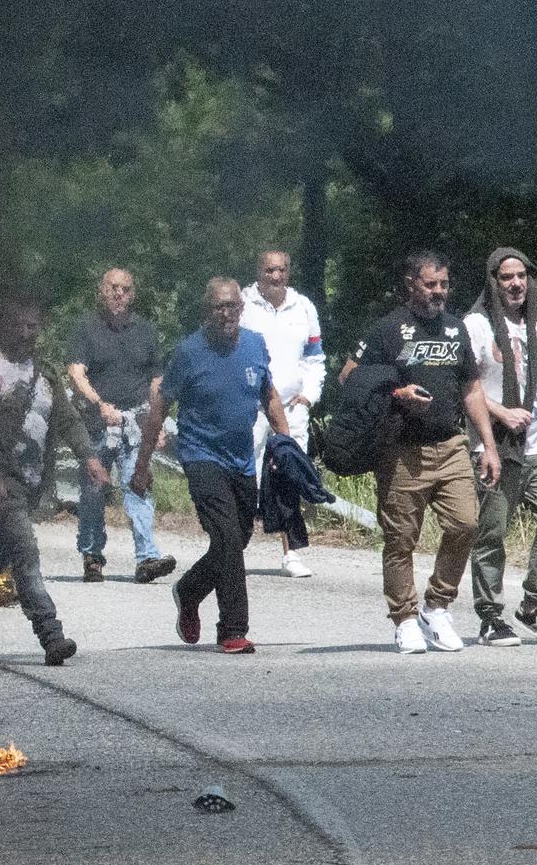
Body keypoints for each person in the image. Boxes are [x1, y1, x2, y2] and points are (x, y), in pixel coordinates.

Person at [340, 251, 501, 654]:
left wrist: (489, 445)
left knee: (466, 523)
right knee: (401, 540)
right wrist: (396, 393)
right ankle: (405, 618)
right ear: (411, 283)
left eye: (444, 284)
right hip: (401, 450)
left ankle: (437, 607)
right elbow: (348, 375)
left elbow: (472, 388)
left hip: (450, 445)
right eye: (431, 284)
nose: (439, 292)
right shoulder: (387, 329)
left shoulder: (455, 328)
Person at [0, 294, 110, 666]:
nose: (25, 333)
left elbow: (66, 419)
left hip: (27, 484)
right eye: (17, 325)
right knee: (26, 555)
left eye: (32, 326)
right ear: (1, 327)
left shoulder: (46, 373)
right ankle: (51, 634)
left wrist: (89, 457)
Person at [130, 278, 290, 655]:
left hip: (241, 459)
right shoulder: (188, 352)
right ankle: (233, 629)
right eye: (219, 307)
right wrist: (142, 465)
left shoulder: (254, 344)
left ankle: (188, 591)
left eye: (233, 306)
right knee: (228, 539)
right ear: (207, 311)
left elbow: (269, 397)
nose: (227, 314)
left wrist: (287, 448)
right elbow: (159, 410)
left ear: (241, 308)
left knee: (239, 538)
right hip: (201, 456)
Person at [463, 248, 537, 646]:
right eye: (506, 277)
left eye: (521, 276)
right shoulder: (476, 325)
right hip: (497, 443)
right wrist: (501, 413)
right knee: (492, 532)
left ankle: (533, 606)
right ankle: (490, 616)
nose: (515, 284)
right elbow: (468, 387)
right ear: (493, 283)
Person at [66, 267, 172, 583]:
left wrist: (157, 421)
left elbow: (157, 380)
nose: (118, 294)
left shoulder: (147, 331)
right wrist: (100, 404)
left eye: (125, 289)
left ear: (132, 294)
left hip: (137, 420)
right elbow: (76, 373)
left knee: (138, 484)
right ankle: (92, 555)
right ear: (102, 290)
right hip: (96, 423)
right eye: (113, 288)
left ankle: (147, 558)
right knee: (93, 491)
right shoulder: (85, 328)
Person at [240, 249, 326, 578]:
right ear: (258, 271)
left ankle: (292, 553)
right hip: (252, 407)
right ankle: (235, 545)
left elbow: (315, 357)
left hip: (291, 406)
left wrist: (308, 396)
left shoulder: (303, 307)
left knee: (290, 475)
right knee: (246, 475)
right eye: (269, 270)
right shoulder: (244, 306)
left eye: (281, 270)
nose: (275, 276)